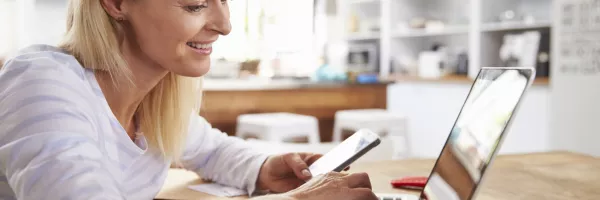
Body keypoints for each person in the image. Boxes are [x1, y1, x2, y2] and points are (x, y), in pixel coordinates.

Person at [0, 0, 377, 199]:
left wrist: (264, 168)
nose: (225, 25)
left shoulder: (157, 97)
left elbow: (211, 150)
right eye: (195, 5)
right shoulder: (40, 80)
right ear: (115, 2)